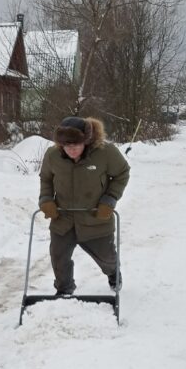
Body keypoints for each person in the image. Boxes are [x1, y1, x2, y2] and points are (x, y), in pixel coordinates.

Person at [38, 116, 130, 295]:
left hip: (96, 217)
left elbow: (122, 173)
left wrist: (110, 198)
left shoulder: (105, 152)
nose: (71, 149)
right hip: (63, 218)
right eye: (67, 145)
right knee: (58, 257)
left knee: (107, 258)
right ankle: (64, 289)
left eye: (76, 145)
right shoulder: (52, 155)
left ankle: (113, 273)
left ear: (86, 141)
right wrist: (46, 199)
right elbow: (46, 178)